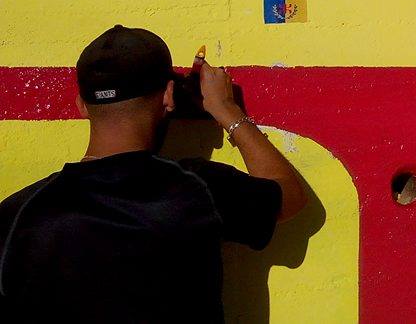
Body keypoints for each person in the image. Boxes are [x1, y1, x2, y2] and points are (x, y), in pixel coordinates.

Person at [0, 25, 307, 322]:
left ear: (82, 105)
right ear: (168, 96)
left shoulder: (16, 213)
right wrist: (226, 109)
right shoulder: (199, 189)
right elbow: (289, 196)